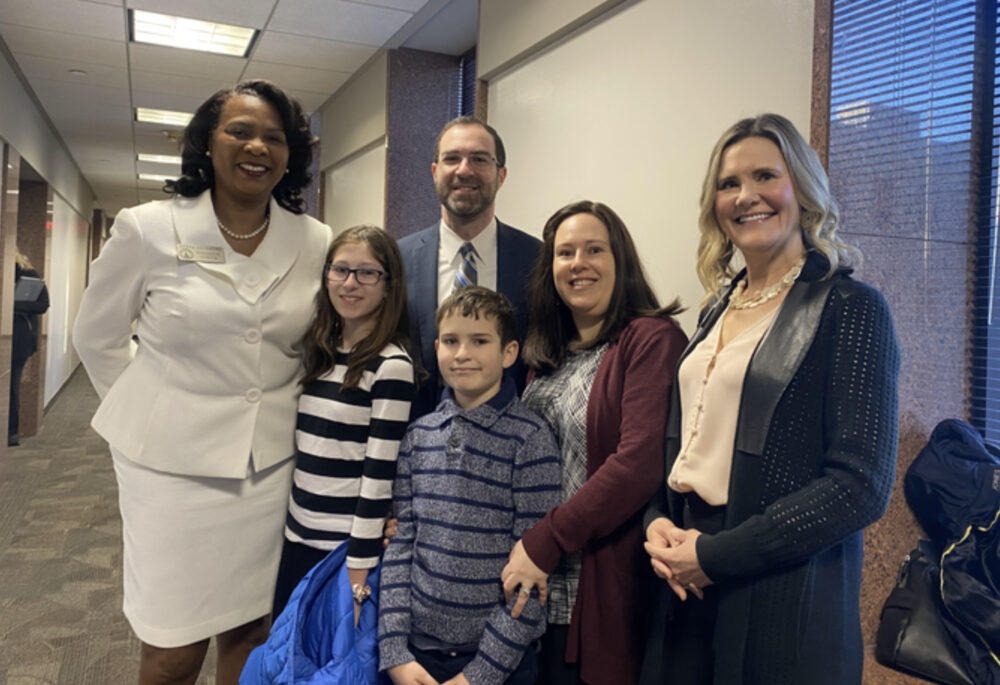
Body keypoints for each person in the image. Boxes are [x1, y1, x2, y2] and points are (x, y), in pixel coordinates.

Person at [73, 80, 331, 685]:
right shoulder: (148, 229)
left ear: (290, 154)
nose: (257, 147)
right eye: (239, 131)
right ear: (207, 144)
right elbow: (97, 337)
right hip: (169, 472)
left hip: (270, 467)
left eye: (274, 137)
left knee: (252, 630)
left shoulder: (315, 240)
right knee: (172, 644)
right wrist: (150, 410)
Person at [641, 113, 900, 684]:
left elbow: (861, 486)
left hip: (780, 590)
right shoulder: (717, 308)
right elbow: (690, 442)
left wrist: (717, 556)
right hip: (684, 575)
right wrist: (657, 518)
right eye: (729, 183)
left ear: (802, 190)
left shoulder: (851, 308)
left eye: (765, 176)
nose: (746, 196)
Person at [500, 201, 688, 685]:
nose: (578, 263)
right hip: (533, 588)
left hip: (597, 586)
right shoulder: (547, 353)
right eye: (565, 253)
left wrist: (546, 541)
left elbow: (637, 464)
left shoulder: (651, 339)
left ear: (619, 258)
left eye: (593, 249)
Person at [378, 287, 561, 685]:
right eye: (451, 341)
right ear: (436, 347)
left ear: (509, 352)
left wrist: (478, 675)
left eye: (480, 341)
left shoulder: (531, 440)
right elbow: (401, 548)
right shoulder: (418, 435)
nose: (462, 353)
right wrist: (394, 652)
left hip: (498, 663)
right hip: (417, 658)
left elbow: (532, 572)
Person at [272, 225, 415, 619]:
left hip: (343, 551)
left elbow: (378, 475)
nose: (350, 283)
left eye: (367, 273)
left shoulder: (392, 365)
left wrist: (360, 564)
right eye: (341, 270)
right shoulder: (319, 354)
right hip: (297, 537)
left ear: (389, 286)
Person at [399, 116, 541, 418]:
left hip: (510, 451)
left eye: (479, 159)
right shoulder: (397, 260)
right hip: (412, 450)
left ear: (501, 175)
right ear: (435, 172)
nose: (464, 170)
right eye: (452, 159)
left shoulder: (538, 260)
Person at [9, 250, 49, 446]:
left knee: (11, 386)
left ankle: (11, 432)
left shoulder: (28, 275)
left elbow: (43, 304)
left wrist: (12, 305)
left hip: (19, 339)